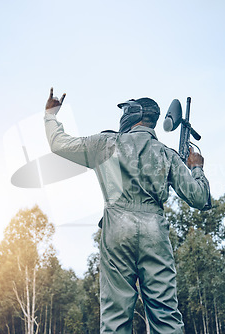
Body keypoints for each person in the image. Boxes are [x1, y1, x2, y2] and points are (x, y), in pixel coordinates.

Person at [44, 88, 210, 333]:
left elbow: (59, 144)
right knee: (165, 315)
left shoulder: (105, 143)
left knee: (115, 317)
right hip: (155, 232)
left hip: (117, 230)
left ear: (133, 114)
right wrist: (196, 168)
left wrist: (50, 115)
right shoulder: (167, 154)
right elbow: (200, 198)